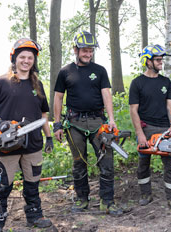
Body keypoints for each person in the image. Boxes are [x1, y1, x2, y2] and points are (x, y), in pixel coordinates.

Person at [0, 38, 53, 231]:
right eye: (22, 57)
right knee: (3, 185)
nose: (26, 61)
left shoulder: (38, 85)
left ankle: (34, 216)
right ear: (15, 58)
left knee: (33, 183)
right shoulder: (0, 83)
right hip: (8, 144)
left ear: (33, 60)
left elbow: (43, 114)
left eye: (30, 57)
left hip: (33, 143)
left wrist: (49, 137)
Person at [53, 30, 122, 215]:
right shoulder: (65, 72)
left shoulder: (100, 71)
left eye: (91, 51)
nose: (88, 54)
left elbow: (106, 94)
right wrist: (57, 124)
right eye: (84, 50)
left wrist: (112, 120)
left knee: (106, 162)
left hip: (98, 122)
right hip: (74, 123)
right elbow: (58, 98)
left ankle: (107, 202)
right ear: (75, 50)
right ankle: (82, 200)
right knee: (78, 163)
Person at [129, 44, 171, 211]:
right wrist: (140, 134)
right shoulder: (137, 83)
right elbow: (133, 110)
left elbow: (170, 104)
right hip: (146, 129)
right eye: (158, 60)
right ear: (148, 62)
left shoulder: (165, 82)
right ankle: (145, 194)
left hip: (166, 129)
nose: (161, 63)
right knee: (143, 163)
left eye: (161, 60)